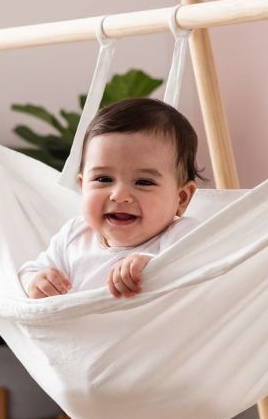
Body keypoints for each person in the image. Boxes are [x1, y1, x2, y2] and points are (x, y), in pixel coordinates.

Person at [19, 97, 204, 299]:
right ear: (82, 187)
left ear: (182, 198)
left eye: (144, 182)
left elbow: (205, 273)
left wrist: (152, 268)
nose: (120, 195)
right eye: (103, 178)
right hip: (79, 330)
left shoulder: (182, 235)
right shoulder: (75, 235)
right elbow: (29, 271)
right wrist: (37, 282)